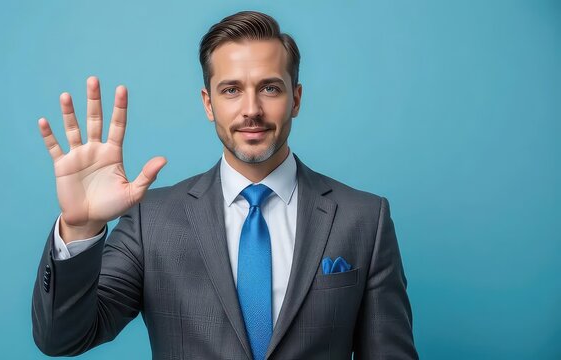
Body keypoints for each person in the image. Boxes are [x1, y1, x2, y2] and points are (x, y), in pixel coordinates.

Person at [32, 10, 418, 360]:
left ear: (296, 99)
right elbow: (63, 339)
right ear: (208, 103)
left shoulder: (365, 219)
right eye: (231, 90)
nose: (251, 109)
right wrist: (81, 228)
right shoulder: (150, 221)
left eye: (270, 88)